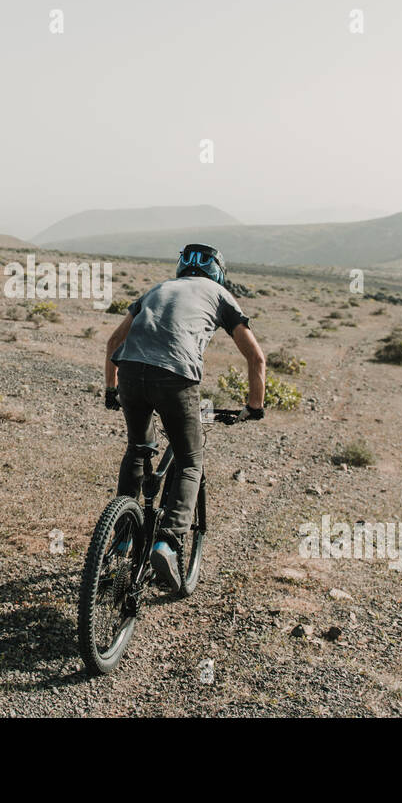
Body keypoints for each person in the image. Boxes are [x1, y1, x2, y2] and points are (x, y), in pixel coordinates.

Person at [103, 243, 266, 592]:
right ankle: (169, 541)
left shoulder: (158, 288)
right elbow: (257, 359)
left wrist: (110, 389)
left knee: (138, 448)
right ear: (218, 271)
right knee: (190, 460)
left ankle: (124, 537)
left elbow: (113, 341)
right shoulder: (220, 294)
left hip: (129, 371)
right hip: (175, 377)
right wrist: (254, 406)